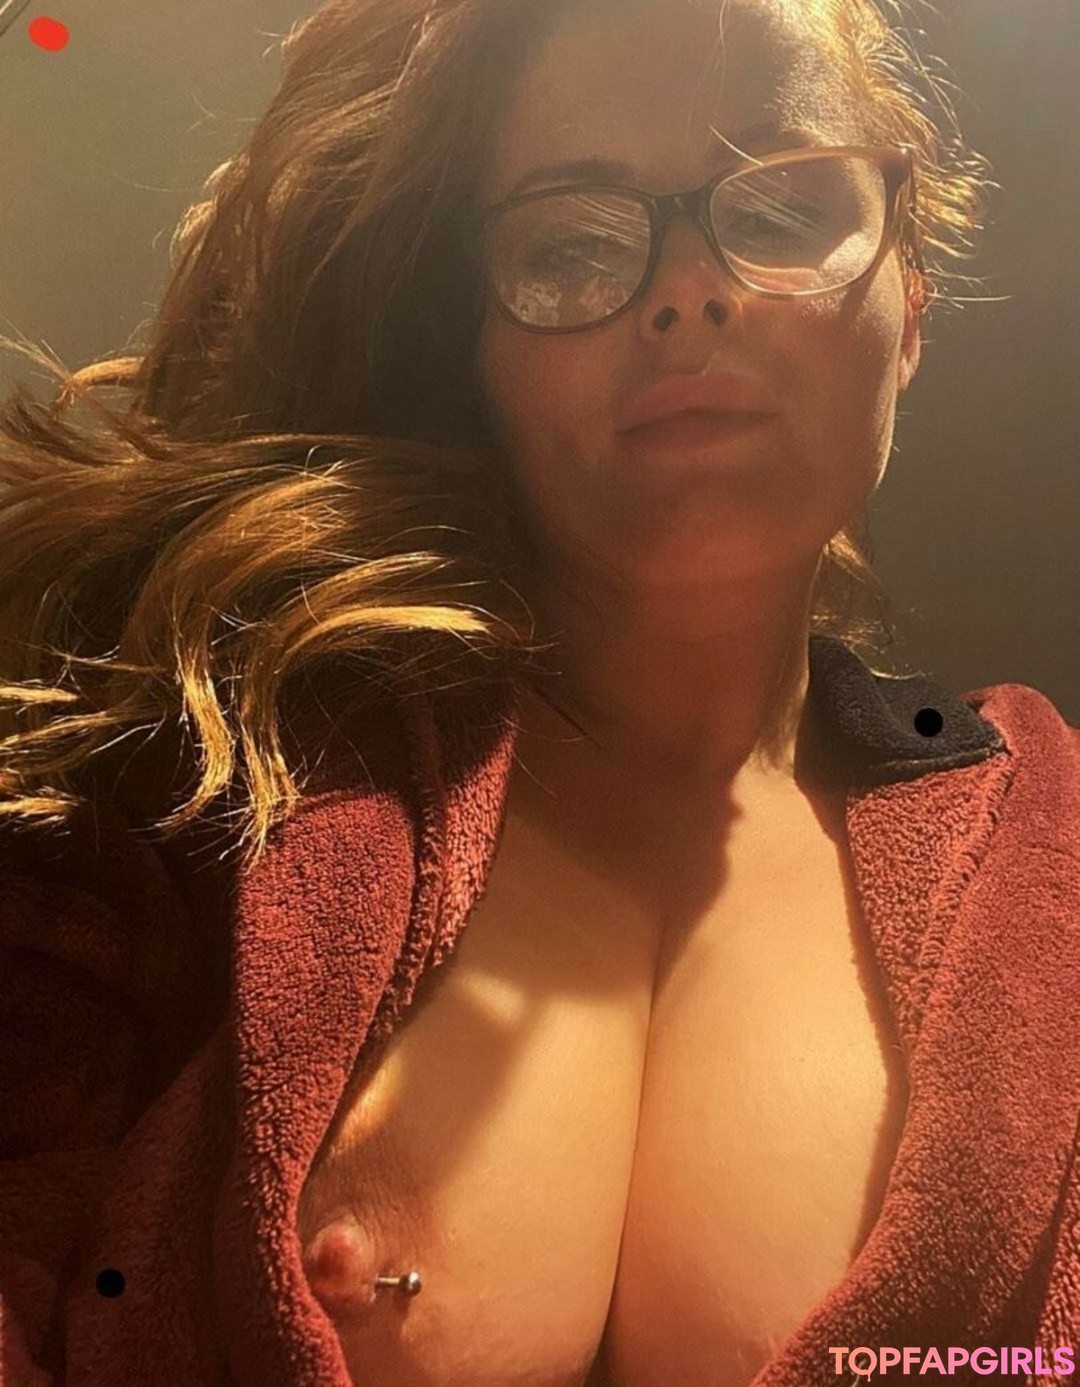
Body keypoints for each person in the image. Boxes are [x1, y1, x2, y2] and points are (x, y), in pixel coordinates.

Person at [1, 0, 1078, 1384]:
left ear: (910, 303)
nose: (689, 292)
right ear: (482, 356)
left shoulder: (1042, 851)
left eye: (784, 208)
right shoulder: (216, 766)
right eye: (572, 243)